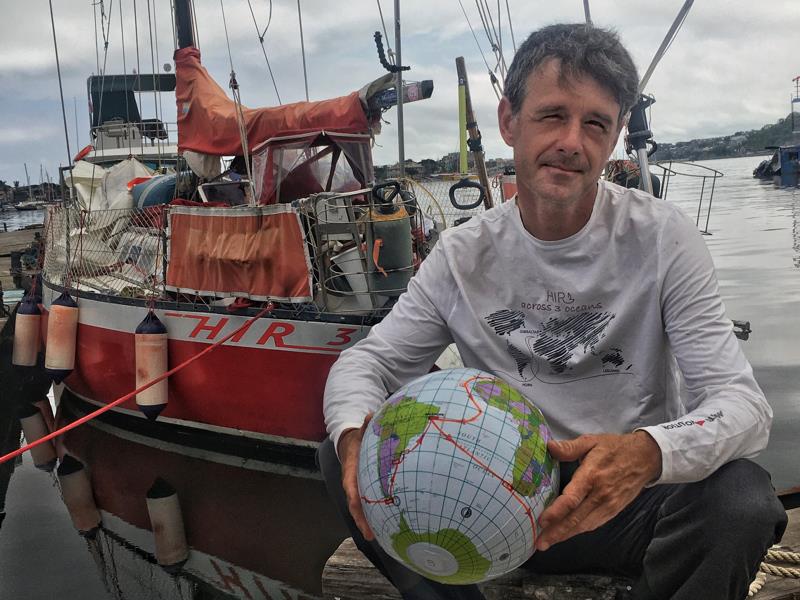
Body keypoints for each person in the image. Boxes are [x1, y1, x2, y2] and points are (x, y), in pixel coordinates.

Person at [319, 23, 787, 600]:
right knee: (345, 450)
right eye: (552, 116)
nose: (572, 140)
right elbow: (370, 362)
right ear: (508, 120)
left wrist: (646, 451)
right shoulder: (464, 254)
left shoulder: (663, 239)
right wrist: (349, 437)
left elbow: (744, 407)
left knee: (740, 499)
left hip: (626, 503)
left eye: (596, 124)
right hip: (497, 499)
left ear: (614, 139)